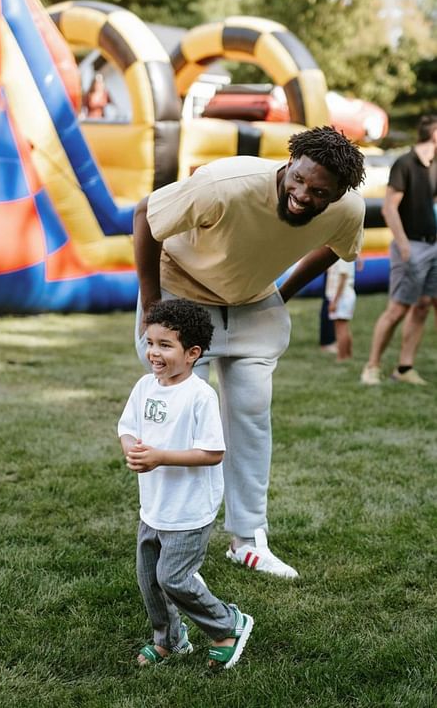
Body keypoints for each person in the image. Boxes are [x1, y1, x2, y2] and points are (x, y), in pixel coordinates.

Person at [133, 126, 366, 578]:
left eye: (319, 192)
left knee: (252, 414)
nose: (301, 195)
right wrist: (152, 300)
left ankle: (248, 539)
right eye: (297, 179)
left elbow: (336, 247)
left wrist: (283, 292)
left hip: (252, 302)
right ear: (290, 161)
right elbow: (145, 214)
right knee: (180, 418)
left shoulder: (347, 209)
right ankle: (172, 539)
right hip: (181, 291)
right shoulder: (226, 184)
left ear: (338, 193)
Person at [118, 298, 253, 669]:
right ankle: (170, 640)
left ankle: (228, 624)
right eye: (149, 343)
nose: (153, 353)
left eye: (165, 345)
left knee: (173, 577)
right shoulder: (145, 387)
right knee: (150, 580)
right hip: (155, 505)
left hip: (189, 509)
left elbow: (212, 452)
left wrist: (160, 456)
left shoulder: (199, 396)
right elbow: (127, 428)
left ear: (192, 353)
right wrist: (133, 449)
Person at [361, 115, 437, 385]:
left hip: (433, 245)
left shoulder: (434, 165)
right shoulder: (404, 163)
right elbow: (388, 208)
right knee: (397, 309)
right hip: (411, 246)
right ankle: (371, 367)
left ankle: (404, 369)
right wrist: (403, 244)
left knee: (423, 306)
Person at [325, 258, 357, 360]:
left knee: (340, 329)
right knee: (344, 327)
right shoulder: (343, 257)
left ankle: (341, 356)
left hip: (341, 296)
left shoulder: (343, 258)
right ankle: (347, 354)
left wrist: (335, 301)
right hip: (342, 295)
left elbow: (343, 277)